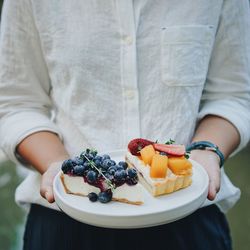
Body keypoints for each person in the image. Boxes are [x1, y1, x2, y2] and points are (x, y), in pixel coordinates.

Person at [0, 0, 250, 249]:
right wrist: (59, 165)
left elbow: (233, 95)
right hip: (66, 222)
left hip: (188, 217)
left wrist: (206, 152)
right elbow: (17, 103)